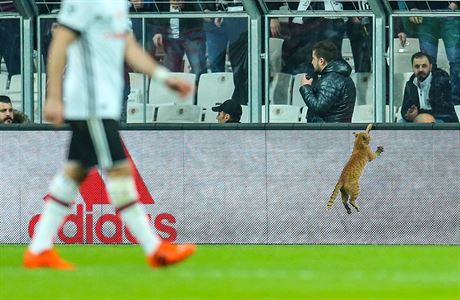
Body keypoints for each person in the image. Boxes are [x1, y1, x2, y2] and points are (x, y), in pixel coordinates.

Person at [23, 0, 196, 270]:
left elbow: (127, 46)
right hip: (90, 102)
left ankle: (39, 249)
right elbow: (60, 43)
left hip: (106, 101)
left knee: (75, 171)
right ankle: (154, 248)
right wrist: (53, 96)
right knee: (119, 170)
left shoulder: (117, 3)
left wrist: (164, 77)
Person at [406, 1, 460, 105]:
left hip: (447, 10)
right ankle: (431, 99)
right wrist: (412, 7)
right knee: (427, 60)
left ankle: (455, 101)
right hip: (426, 12)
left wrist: (456, 3)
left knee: (455, 59)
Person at [299, 40, 356, 123]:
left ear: (321, 61)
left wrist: (306, 87)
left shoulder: (330, 80)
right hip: (336, 131)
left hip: (328, 133)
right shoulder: (342, 77)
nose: (312, 62)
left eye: (313, 59)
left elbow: (319, 107)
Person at [401, 52, 459, 123]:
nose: (420, 70)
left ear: (430, 67)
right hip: (418, 119)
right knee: (401, 123)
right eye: (417, 66)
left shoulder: (441, 81)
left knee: (425, 121)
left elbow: (443, 110)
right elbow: (404, 109)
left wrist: (418, 112)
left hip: (443, 119)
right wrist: (409, 114)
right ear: (412, 67)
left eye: (424, 66)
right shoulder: (410, 84)